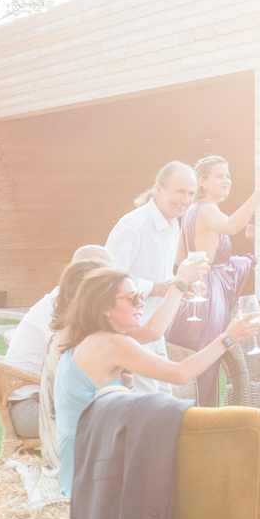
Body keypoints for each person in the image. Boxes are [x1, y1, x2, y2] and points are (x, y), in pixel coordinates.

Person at [54, 266, 256, 497]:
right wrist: (228, 338)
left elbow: (153, 332)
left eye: (140, 296)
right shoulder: (112, 344)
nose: (141, 303)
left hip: (81, 464)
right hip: (93, 476)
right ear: (104, 308)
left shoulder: (87, 339)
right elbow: (180, 374)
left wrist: (120, 390)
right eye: (133, 298)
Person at [165, 155, 260, 406]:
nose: (226, 180)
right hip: (209, 301)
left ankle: (190, 418)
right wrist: (259, 193)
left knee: (196, 363)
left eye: (228, 175)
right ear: (202, 181)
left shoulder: (191, 211)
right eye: (219, 176)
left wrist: (225, 265)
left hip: (195, 296)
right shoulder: (206, 208)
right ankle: (204, 420)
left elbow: (180, 258)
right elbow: (230, 227)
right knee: (206, 364)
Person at [105, 161, 197, 394]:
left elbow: (163, 278)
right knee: (151, 413)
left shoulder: (173, 223)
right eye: (180, 192)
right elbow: (107, 280)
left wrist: (179, 287)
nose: (186, 200)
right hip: (130, 335)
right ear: (158, 189)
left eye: (191, 193)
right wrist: (157, 288)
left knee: (162, 407)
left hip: (155, 332)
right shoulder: (134, 226)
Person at [4, 245, 114, 439]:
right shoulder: (57, 307)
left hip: (47, 400)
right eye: (105, 275)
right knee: (114, 420)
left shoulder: (71, 302)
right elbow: (76, 362)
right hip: (30, 409)